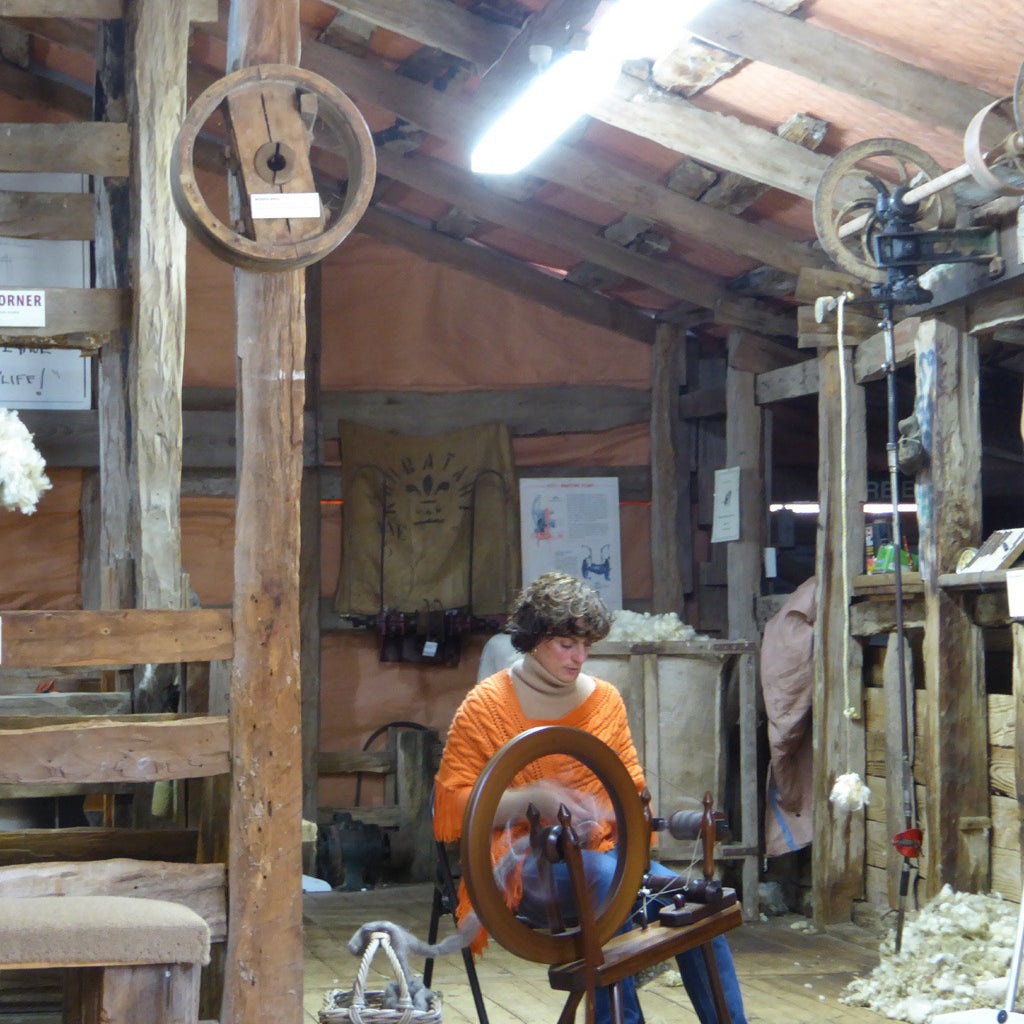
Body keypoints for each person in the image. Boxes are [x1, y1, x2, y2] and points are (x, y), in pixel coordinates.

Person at [433, 571, 747, 1024]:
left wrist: (613, 826)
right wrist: (532, 799)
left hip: (607, 861)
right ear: (534, 638)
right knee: (606, 882)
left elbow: (633, 796)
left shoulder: (605, 702)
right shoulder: (486, 707)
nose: (580, 657)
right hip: (523, 871)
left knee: (697, 903)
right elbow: (451, 808)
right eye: (567, 644)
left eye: (587, 645)